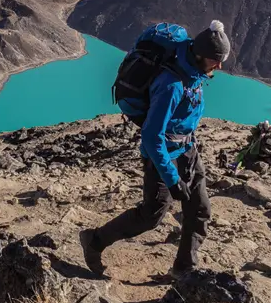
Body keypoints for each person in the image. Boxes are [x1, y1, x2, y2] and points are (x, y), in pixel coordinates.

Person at [80, 20, 232, 278]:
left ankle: (184, 269)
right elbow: (152, 136)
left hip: (188, 152)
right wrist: (172, 180)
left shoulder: (194, 73)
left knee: (199, 209)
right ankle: (94, 240)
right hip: (162, 159)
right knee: (151, 216)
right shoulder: (172, 84)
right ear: (199, 56)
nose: (219, 67)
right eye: (215, 61)